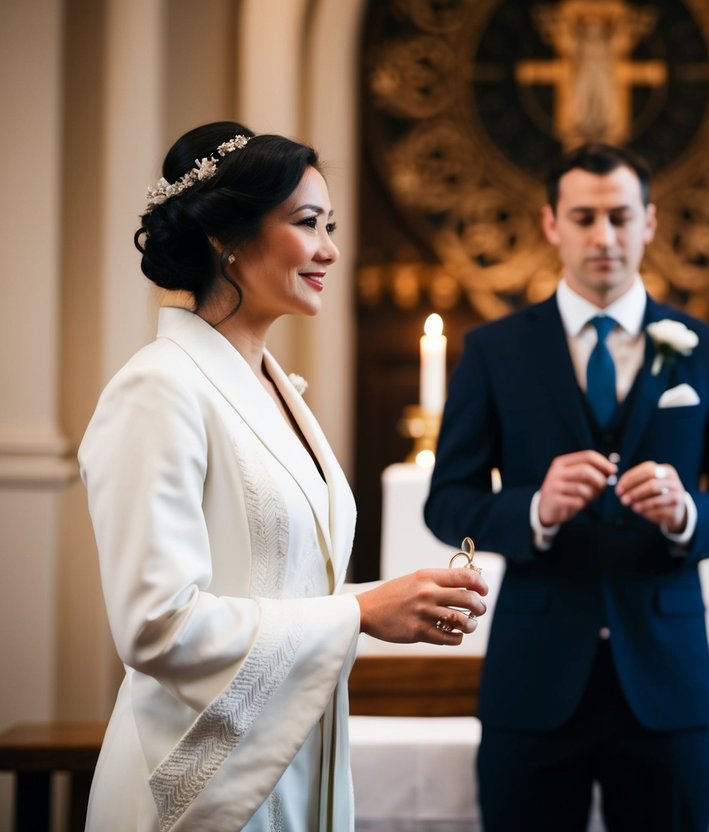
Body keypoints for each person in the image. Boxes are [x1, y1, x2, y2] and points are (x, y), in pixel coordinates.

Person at [78, 121, 489, 831]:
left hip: (297, 754)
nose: (330, 249)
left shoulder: (276, 389)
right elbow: (155, 624)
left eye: (330, 225)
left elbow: (278, 587)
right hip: (201, 780)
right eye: (307, 224)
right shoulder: (159, 388)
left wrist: (389, 602)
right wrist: (357, 613)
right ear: (224, 238)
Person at [425, 142, 709, 831]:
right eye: (583, 217)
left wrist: (685, 515)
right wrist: (532, 509)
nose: (603, 237)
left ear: (649, 221)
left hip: (666, 683)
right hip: (532, 681)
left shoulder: (708, 351)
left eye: (619, 217)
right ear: (551, 223)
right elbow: (447, 503)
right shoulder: (493, 351)